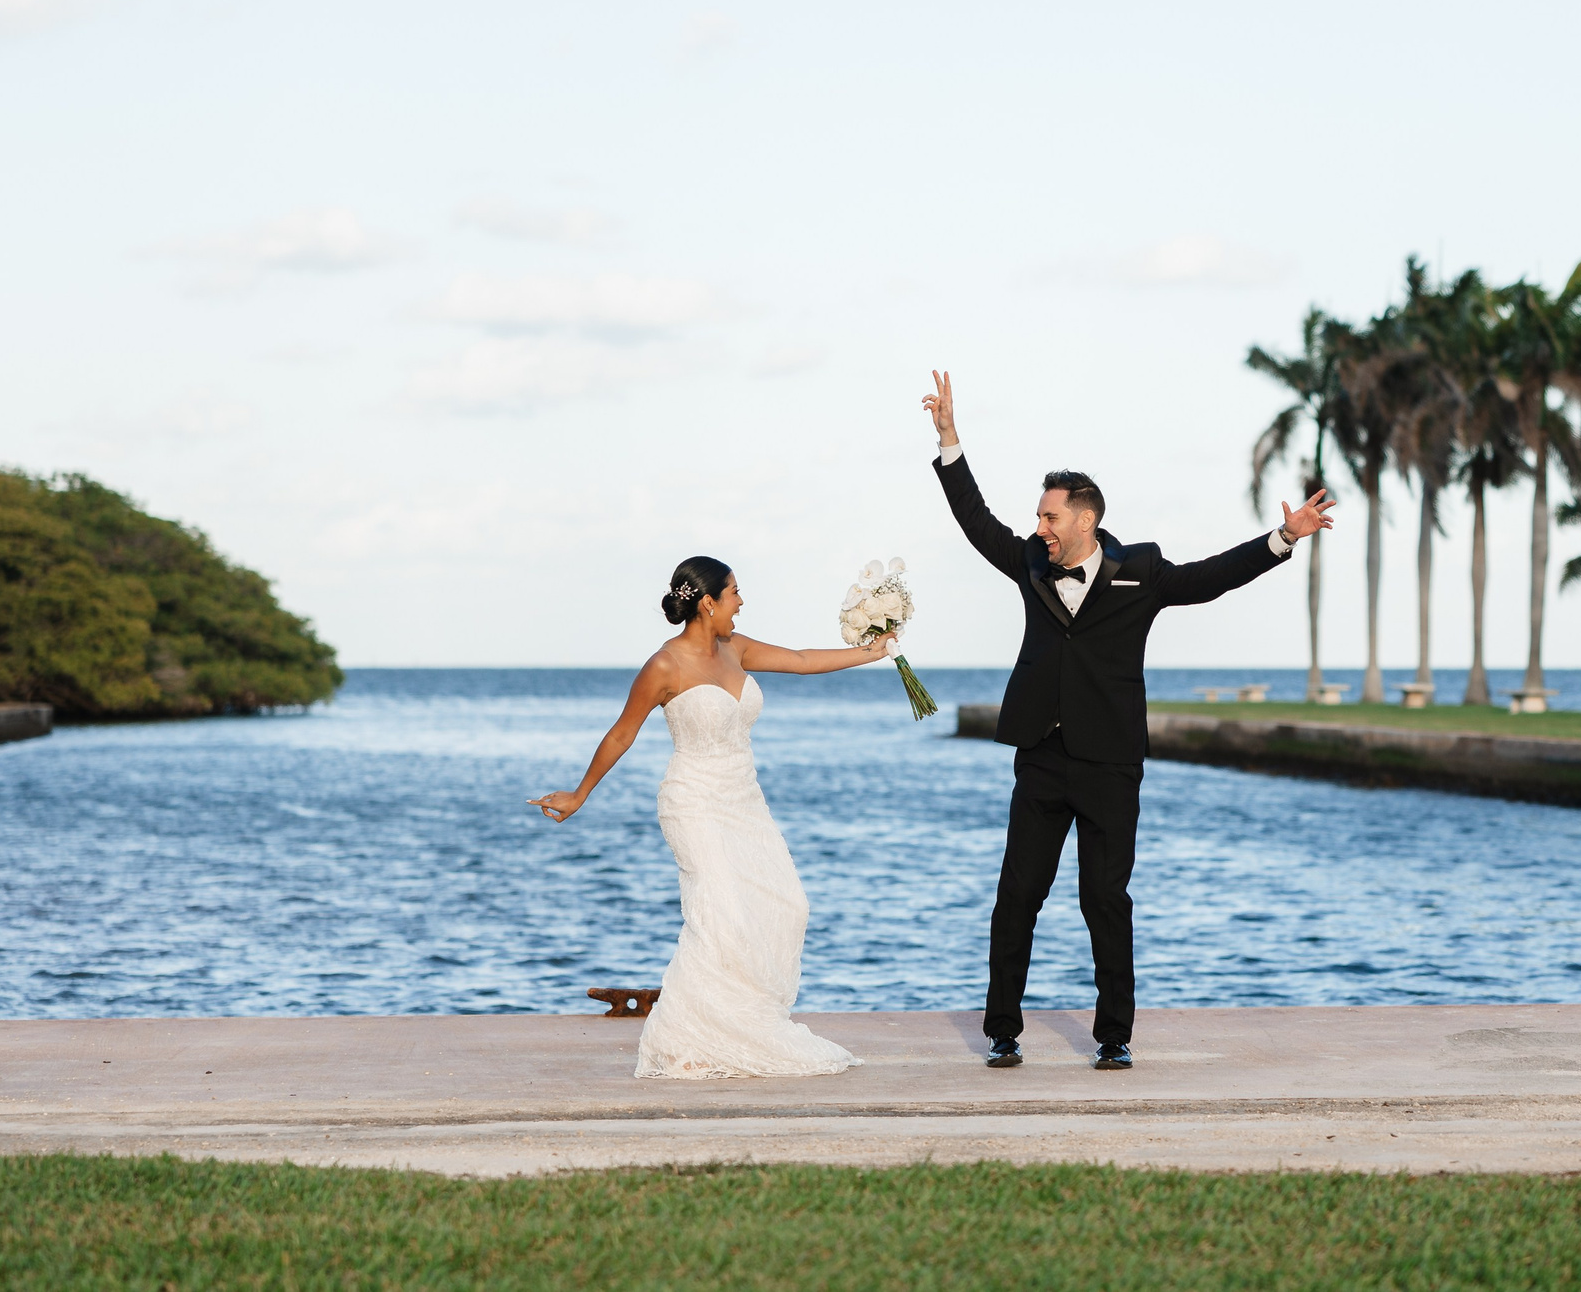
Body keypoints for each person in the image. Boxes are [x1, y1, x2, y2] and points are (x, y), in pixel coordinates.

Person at [923, 370, 1333, 1071]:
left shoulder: (1141, 570)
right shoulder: (1028, 561)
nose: (1039, 526)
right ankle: (1002, 1028)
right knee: (1018, 893)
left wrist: (1281, 538)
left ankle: (1113, 1034)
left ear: (1085, 518)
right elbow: (977, 522)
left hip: (1111, 760)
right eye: (1040, 515)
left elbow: (1209, 577)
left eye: (1050, 515)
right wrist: (951, 441)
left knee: (1103, 898)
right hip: (1042, 755)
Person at [529, 555, 898, 1079]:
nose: (741, 603)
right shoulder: (665, 665)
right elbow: (621, 732)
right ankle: (685, 1039)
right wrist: (579, 794)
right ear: (707, 603)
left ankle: (736, 1023)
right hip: (693, 801)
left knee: (787, 905)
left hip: (745, 799)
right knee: (719, 914)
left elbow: (800, 659)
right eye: (734, 593)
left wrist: (870, 652)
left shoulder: (737, 648)